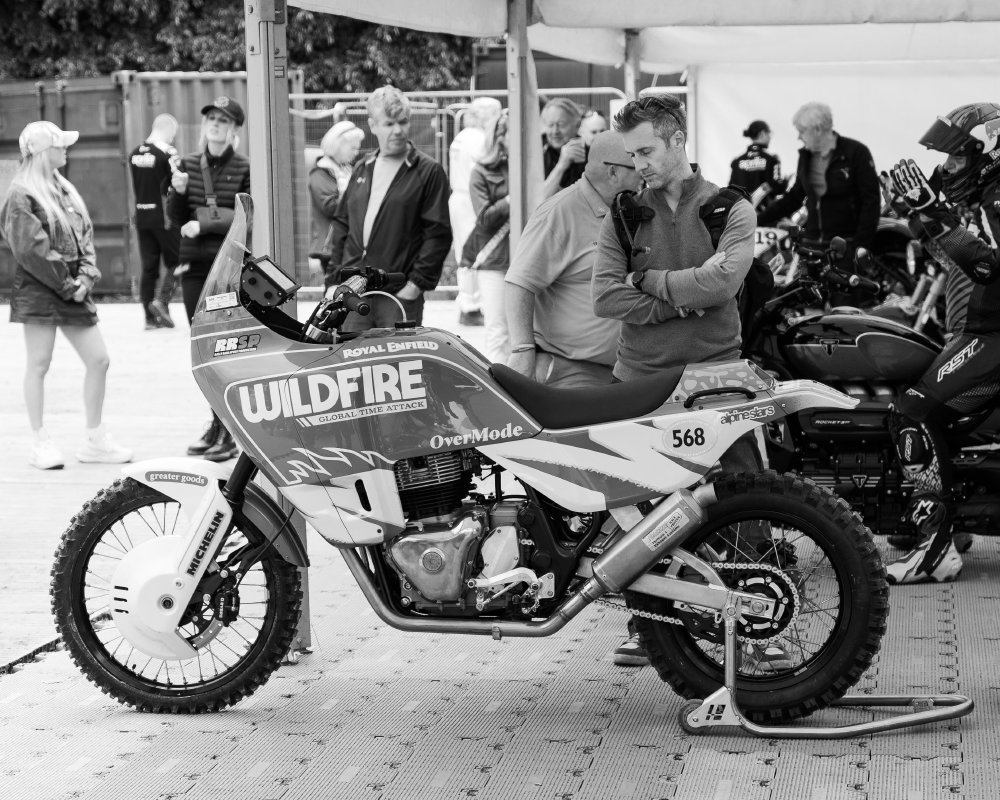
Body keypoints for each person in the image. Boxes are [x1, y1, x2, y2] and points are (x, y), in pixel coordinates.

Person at [591, 95, 761, 666]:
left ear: (677, 140)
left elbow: (722, 285)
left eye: (646, 150)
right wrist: (682, 302)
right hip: (640, 381)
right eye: (630, 153)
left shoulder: (730, 208)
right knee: (641, 510)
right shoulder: (623, 214)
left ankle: (754, 622)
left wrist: (656, 283)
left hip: (717, 378)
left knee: (743, 505)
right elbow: (606, 296)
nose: (637, 163)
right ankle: (652, 628)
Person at [883, 102, 1000, 584]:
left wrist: (931, 210)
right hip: (975, 331)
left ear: (987, 153)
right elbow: (947, 251)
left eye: (956, 158)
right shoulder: (981, 196)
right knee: (941, 421)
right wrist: (918, 213)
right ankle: (951, 528)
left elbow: (989, 266)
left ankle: (933, 548)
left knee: (910, 413)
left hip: (991, 335)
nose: (946, 166)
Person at [1, 121, 133, 469]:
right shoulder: (20, 194)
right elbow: (30, 250)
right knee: (39, 363)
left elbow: (85, 237)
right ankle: (40, 442)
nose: (66, 149)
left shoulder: (64, 188)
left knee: (99, 360)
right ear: (44, 151)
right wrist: (68, 285)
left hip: (72, 288)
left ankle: (95, 439)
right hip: (41, 288)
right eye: (60, 145)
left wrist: (86, 277)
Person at [505, 130, 640, 387]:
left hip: (621, 371)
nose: (644, 172)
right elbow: (519, 282)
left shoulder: (626, 208)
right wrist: (522, 351)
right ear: (613, 172)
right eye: (636, 164)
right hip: (571, 374)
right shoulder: (560, 212)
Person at [324, 86, 451, 329]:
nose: (398, 131)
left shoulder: (427, 171)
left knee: (397, 366)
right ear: (373, 125)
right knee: (350, 363)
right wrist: (332, 280)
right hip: (353, 292)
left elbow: (438, 234)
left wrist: (414, 286)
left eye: (403, 122)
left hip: (397, 295)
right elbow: (342, 225)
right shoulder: (363, 168)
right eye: (389, 123)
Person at [167, 95, 250, 463]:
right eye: (210, 119)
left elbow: (247, 213)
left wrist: (205, 223)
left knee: (224, 350)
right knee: (202, 352)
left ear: (233, 129)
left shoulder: (245, 166)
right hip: (194, 266)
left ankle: (229, 430)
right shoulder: (186, 164)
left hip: (227, 268)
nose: (215, 124)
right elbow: (173, 218)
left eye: (222, 120)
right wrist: (179, 190)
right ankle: (216, 425)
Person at [757, 102, 880, 263]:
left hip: (845, 246)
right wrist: (756, 220)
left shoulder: (856, 153)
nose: (798, 137)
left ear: (817, 129)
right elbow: (794, 197)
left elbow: (871, 202)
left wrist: (859, 246)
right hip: (812, 245)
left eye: (801, 132)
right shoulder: (806, 156)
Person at [460, 111, 512, 363]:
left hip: (529, 258)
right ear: (500, 137)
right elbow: (484, 218)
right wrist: (512, 200)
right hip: (495, 259)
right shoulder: (480, 171)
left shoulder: (538, 164)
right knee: (498, 329)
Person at [449, 97, 503, 327]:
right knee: (477, 251)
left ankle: (467, 303)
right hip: (472, 200)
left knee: (465, 251)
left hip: (460, 197)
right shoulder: (478, 139)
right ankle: (472, 306)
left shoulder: (462, 136)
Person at [128, 113, 180, 330]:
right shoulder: (167, 152)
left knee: (149, 268)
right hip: (165, 218)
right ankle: (162, 302)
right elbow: (178, 183)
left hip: (142, 217)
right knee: (178, 261)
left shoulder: (134, 153)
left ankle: (149, 320)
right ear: (168, 130)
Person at [308, 120, 365, 270]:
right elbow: (331, 207)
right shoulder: (321, 172)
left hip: (348, 243)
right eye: (353, 148)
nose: (356, 152)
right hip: (331, 246)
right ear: (339, 146)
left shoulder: (344, 169)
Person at [729, 119, 782, 209]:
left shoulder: (737, 162)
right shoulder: (772, 160)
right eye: (769, 133)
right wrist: (784, 183)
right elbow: (777, 189)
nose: (770, 137)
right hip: (765, 215)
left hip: (742, 213)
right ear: (762, 133)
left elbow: (731, 191)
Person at [541, 97, 586, 199]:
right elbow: (538, 201)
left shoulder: (589, 153)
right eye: (550, 125)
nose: (555, 131)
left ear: (577, 125)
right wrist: (561, 166)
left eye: (561, 125)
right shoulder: (538, 153)